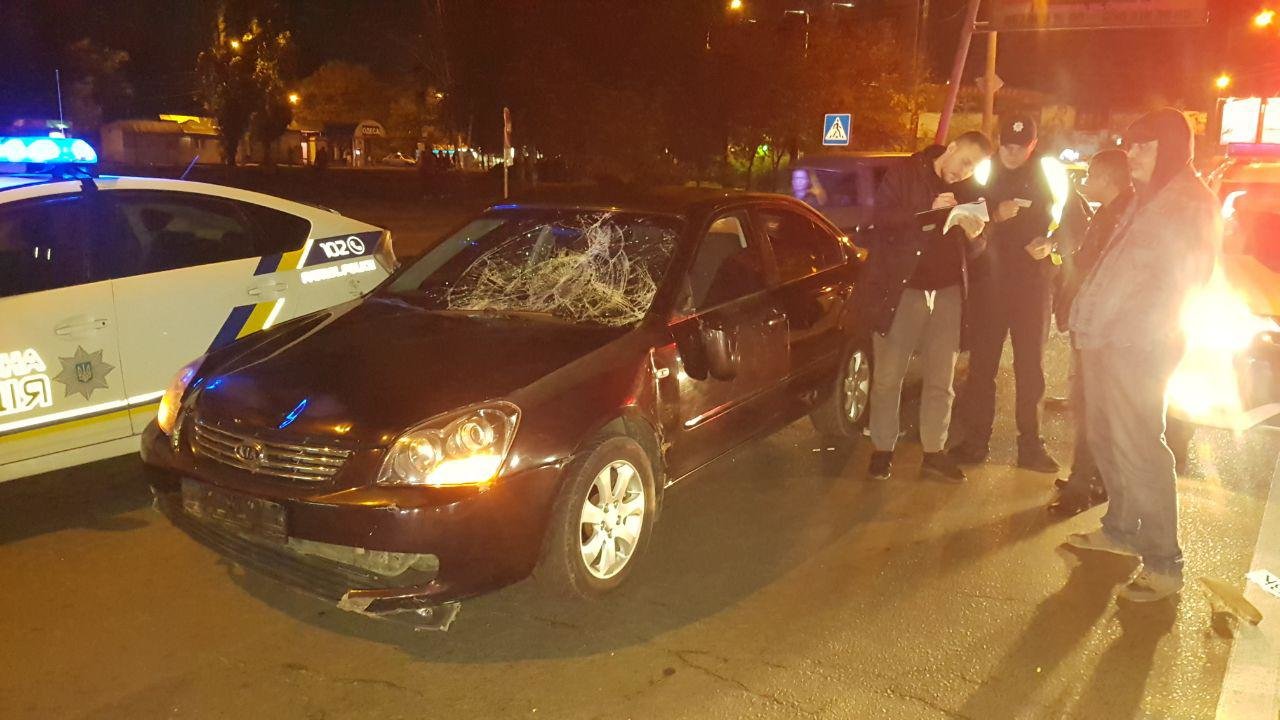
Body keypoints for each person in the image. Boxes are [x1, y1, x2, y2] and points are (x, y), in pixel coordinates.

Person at [1066, 108, 1218, 603]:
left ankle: (1163, 561)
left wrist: (1136, 330)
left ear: (1169, 148)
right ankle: (1121, 527)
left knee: (1141, 447)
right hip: (1106, 339)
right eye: (1130, 144)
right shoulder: (1146, 197)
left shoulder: (1191, 202)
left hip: (1140, 345)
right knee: (1104, 435)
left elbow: (1187, 280)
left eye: (1143, 145)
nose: (1130, 154)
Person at [862, 131, 994, 483]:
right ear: (951, 148)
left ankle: (934, 452)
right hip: (902, 290)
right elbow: (879, 221)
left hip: (948, 293)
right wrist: (926, 212)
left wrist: (974, 234)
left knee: (942, 380)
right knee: (888, 376)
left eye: (973, 168)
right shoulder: (906, 174)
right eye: (964, 162)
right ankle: (882, 449)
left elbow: (980, 248)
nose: (964, 172)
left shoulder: (969, 191)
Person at [950, 114, 1060, 473]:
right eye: (1007, 145)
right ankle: (974, 441)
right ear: (998, 141)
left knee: (1031, 370)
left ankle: (1031, 446)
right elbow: (962, 221)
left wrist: (1052, 243)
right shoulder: (982, 172)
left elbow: (1075, 222)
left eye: (1020, 147)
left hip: (1032, 287)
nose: (1012, 153)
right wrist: (995, 216)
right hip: (990, 286)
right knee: (982, 368)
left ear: (1033, 145)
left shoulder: (1049, 174)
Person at [1047, 149, 1134, 516]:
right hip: (1096, 326)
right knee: (1091, 407)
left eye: (1091, 175)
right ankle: (1089, 478)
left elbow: (1099, 273)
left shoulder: (1123, 217)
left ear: (1108, 179)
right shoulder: (1111, 212)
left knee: (1092, 409)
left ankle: (1084, 486)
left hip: (1103, 330)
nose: (1084, 182)